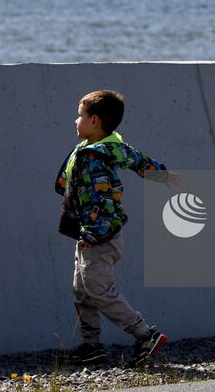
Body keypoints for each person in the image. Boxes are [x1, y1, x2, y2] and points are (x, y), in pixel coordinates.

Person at [55, 89, 180, 368]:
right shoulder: (94, 149)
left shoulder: (101, 154)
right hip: (89, 231)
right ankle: (92, 348)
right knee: (82, 289)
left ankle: (144, 334)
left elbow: (106, 199)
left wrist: (93, 232)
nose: (76, 121)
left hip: (101, 233)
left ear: (95, 120)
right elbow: (138, 160)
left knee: (98, 288)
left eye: (80, 115)